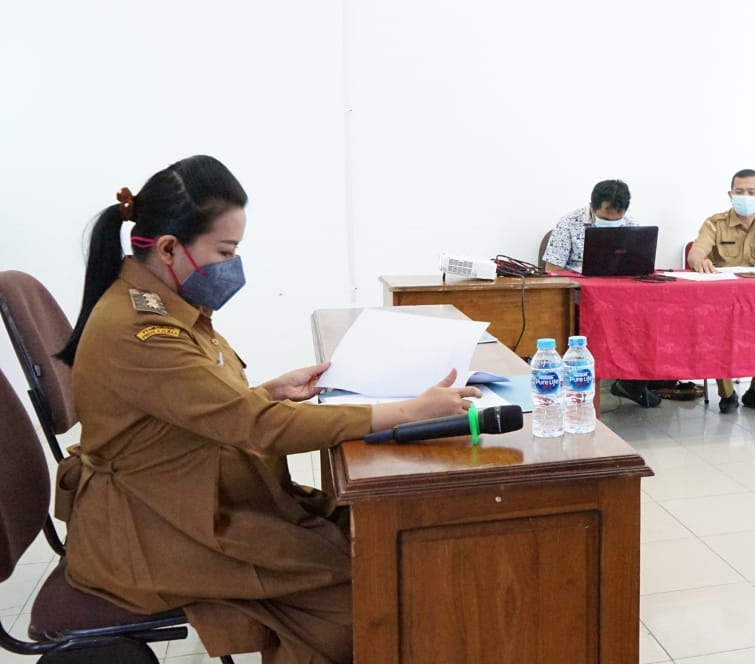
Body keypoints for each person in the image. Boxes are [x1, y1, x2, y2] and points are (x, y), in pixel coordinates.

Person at [53, 155, 481, 664]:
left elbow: (196, 409)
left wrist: (266, 392)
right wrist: (408, 412)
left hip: (184, 494)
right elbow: (257, 428)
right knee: (364, 589)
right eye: (226, 251)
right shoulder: (141, 329)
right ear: (168, 248)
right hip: (149, 526)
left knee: (366, 541)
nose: (232, 264)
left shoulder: (163, 304)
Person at [687, 168, 755, 414]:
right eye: (739, 192)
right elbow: (695, 253)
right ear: (730, 194)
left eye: (751, 192)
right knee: (717, 333)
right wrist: (699, 261)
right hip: (723, 301)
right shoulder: (715, 223)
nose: (745, 197)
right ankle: (727, 395)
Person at [543, 179, 659, 408]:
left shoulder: (632, 226)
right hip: (581, 299)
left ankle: (633, 384)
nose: (612, 223)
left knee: (650, 320)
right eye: (606, 218)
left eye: (617, 218)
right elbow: (552, 270)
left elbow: (641, 267)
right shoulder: (569, 223)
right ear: (592, 206)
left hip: (620, 299)